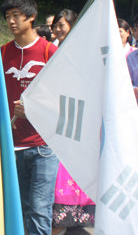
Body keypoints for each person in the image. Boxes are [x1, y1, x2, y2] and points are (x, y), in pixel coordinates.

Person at [0, 0, 59, 235]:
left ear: (31, 16)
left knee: (39, 209)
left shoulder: (50, 52)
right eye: (7, 17)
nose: (11, 21)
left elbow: (65, 99)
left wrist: (34, 109)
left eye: (16, 15)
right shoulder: (1, 53)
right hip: (13, 145)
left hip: (45, 145)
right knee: (21, 210)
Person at [51, 12, 95, 234]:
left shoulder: (82, 53)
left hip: (74, 118)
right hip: (56, 117)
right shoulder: (52, 50)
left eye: (61, 25)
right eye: (55, 26)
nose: (57, 29)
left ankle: (69, 216)